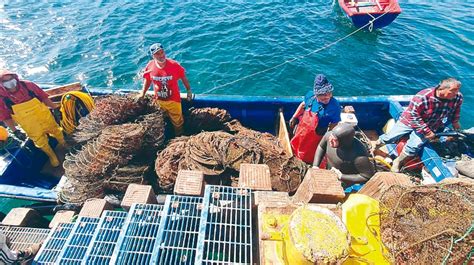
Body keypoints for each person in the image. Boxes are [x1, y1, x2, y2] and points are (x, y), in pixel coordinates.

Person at [375, 78, 463, 172]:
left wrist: (455, 122)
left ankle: (398, 161)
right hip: (409, 120)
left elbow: (456, 111)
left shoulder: (458, 97)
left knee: (413, 146)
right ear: (442, 89)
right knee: (390, 137)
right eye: (453, 91)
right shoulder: (422, 97)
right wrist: (427, 132)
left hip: (432, 124)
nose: (456, 94)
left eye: (457, 90)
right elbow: (414, 116)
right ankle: (376, 146)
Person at [0, 70, 65, 167]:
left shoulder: (28, 85)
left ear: (15, 77)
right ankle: (52, 156)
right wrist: (15, 131)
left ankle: (64, 144)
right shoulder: (2, 98)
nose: (10, 82)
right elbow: (6, 117)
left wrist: (54, 108)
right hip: (29, 124)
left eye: (11, 79)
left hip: (43, 115)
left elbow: (44, 97)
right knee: (40, 141)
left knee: (56, 130)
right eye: (5, 81)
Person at [138, 43, 192, 136]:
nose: (161, 55)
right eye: (157, 54)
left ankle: (179, 137)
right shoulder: (150, 66)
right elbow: (147, 80)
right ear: (153, 56)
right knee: (161, 119)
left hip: (174, 101)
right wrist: (143, 93)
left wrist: (188, 90)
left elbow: (183, 77)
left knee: (178, 122)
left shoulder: (174, 65)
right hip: (159, 101)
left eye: (162, 52)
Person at [290, 74, 341, 164]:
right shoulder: (310, 96)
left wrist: (330, 136)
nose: (327, 96)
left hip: (318, 134)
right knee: (297, 144)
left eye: (329, 93)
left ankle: (307, 162)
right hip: (302, 129)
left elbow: (334, 123)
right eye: (322, 94)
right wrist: (294, 117)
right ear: (316, 94)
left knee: (311, 152)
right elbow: (302, 105)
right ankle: (294, 153)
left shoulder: (335, 106)